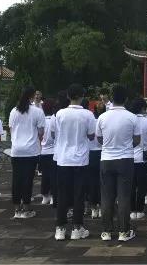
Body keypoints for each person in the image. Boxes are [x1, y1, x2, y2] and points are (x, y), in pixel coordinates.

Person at [96, 85, 141, 242]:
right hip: (125, 159)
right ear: (126, 99)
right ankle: (124, 231)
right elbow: (137, 140)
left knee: (106, 197)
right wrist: (125, 146)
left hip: (106, 159)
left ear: (111, 98)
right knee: (124, 197)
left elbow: (99, 139)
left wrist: (110, 145)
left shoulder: (103, 117)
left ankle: (106, 231)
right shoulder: (132, 117)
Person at [53, 84, 96, 241]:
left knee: (62, 194)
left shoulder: (60, 114)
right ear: (81, 96)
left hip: (63, 158)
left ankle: (60, 228)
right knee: (79, 194)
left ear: (68, 96)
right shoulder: (88, 115)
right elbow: (91, 136)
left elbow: (56, 133)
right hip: (80, 159)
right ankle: (77, 228)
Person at [8, 86, 45, 219]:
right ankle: (27, 209)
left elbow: (11, 129)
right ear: (32, 96)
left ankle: (17, 210)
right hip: (31, 150)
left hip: (16, 150)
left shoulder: (14, 111)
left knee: (16, 180)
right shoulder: (37, 112)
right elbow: (41, 132)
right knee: (28, 180)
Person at [126, 97, 147, 220]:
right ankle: (140, 209)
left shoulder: (128, 120)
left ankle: (132, 210)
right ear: (142, 108)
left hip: (129, 156)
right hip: (143, 157)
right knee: (142, 186)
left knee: (131, 185)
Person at [83, 97, 102, 219]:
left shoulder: (87, 120)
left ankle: (92, 207)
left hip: (89, 153)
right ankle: (101, 207)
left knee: (90, 182)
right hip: (101, 153)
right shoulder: (102, 121)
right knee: (101, 182)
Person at [39, 99, 57, 206]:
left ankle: (45, 196)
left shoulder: (41, 121)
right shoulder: (55, 119)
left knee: (45, 175)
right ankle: (53, 196)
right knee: (54, 175)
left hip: (43, 151)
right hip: (53, 151)